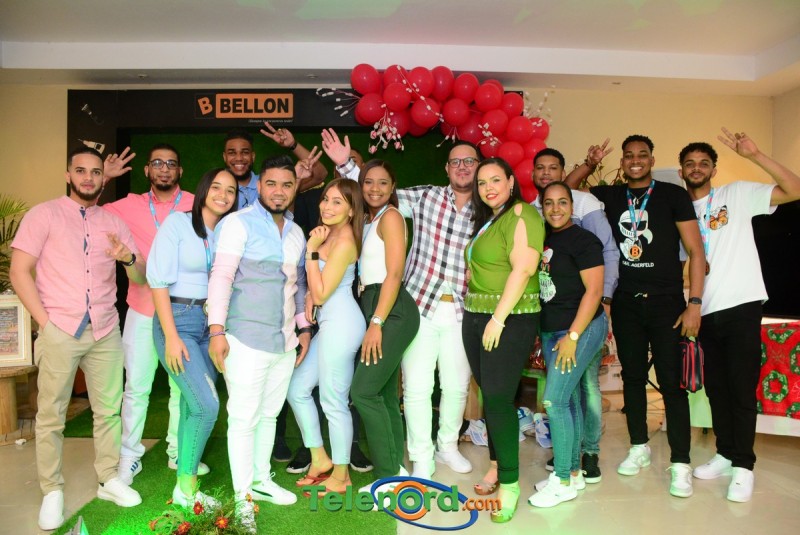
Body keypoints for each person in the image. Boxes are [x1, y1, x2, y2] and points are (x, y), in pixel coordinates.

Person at [324, 128, 477, 480]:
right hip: (419, 302)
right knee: (416, 386)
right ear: (447, 168)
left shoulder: (486, 206)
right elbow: (373, 190)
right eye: (456, 161)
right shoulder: (425, 197)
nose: (462, 167)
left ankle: (448, 447)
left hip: (461, 307)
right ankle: (421, 457)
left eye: (469, 161)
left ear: (478, 167)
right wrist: (346, 165)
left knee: (455, 385)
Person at [10, 146, 144, 531]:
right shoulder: (44, 214)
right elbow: (20, 271)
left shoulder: (113, 221)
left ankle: (108, 479)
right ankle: (52, 490)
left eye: (95, 172)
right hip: (60, 329)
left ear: (104, 177)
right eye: (81, 171)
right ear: (69, 175)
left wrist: (127, 258)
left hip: (105, 328)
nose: (88, 177)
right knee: (51, 415)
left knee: (109, 411)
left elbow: (140, 276)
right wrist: (45, 323)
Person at [565, 134, 706, 498]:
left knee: (672, 384)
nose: (635, 160)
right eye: (629, 156)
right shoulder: (610, 196)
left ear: (652, 159)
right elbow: (566, 191)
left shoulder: (673, 195)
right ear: (623, 162)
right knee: (632, 378)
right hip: (626, 301)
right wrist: (590, 162)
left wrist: (694, 303)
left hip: (667, 303)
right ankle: (639, 447)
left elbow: (696, 250)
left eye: (642, 155)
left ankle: (680, 463)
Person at [679, 129, 800, 502]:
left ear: (713, 170)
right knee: (716, 390)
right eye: (690, 164)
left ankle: (744, 466)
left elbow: (794, 189)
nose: (696, 168)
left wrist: (755, 154)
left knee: (741, 389)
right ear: (681, 171)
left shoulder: (736, 194)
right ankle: (726, 453)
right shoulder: (679, 212)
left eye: (703, 163)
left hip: (741, 305)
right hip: (703, 310)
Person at [206, 155, 312, 531]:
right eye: (271, 183)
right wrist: (216, 331)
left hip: (283, 341)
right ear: (259, 185)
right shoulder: (237, 223)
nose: (278, 191)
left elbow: (298, 286)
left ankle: (261, 480)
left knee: (269, 415)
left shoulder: (297, 234)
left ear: (295, 188)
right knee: (243, 418)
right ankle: (242, 499)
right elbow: (221, 276)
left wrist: (303, 329)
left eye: (286, 184)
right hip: (244, 339)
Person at [102, 143, 198, 484]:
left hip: (182, 311)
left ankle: (177, 452)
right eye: (157, 162)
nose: (164, 169)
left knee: (180, 389)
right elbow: (88, 211)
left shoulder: (194, 204)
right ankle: (129, 455)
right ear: (147, 170)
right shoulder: (127, 206)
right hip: (142, 309)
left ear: (180, 171)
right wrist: (104, 178)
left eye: (171, 163)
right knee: (137, 387)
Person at [147, 168, 238, 508]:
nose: (223, 195)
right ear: (203, 190)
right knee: (207, 405)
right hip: (178, 319)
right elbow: (157, 282)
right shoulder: (178, 224)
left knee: (191, 404)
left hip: (209, 324)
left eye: (230, 190)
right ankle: (187, 489)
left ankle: (184, 481)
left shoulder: (227, 232)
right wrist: (171, 336)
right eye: (216, 187)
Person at [460, 157, 542, 522]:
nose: (488, 188)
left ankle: (510, 485)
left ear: (511, 181)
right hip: (476, 315)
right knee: (492, 397)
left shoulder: (523, 213)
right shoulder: (491, 220)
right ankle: (496, 464)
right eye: (482, 183)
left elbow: (523, 269)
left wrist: (497, 318)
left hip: (508, 318)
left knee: (496, 399)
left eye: (495, 180)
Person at [531, 147, 618, 483]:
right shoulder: (541, 238)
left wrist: (573, 337)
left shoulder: (584, 240)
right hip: (551, 329)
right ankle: (574, 470)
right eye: (549, 203)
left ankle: (566, 475)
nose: (555, 209)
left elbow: (593, 293)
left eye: (562, 202)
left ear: (572, 205)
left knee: (556, 400)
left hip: (579, 329)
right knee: (568, 399)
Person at [287, 179, 366, 495]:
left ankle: (341, 474)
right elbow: (317, 292)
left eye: (337, 202)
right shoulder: (327, 234)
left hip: (343, 324)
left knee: (333, 400)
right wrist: (310, 295)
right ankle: (320, 458)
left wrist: (310, 251)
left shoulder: (344, 241)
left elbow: (320, 293)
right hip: (329, 322)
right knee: (297, 388)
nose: (327, 207)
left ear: (351, 210)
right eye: (325, 199)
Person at [346, 160, 420, 492]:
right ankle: (396, 468)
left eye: (383, 183)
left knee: (363, 391)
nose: (375, 189)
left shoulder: (390, 217)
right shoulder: (368, 219)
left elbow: (394, 273)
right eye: (368, 182)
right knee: (385, 394)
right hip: (372, 302)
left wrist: (376, 321)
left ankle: (387, 475)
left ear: (393, 188)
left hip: (391, 308)